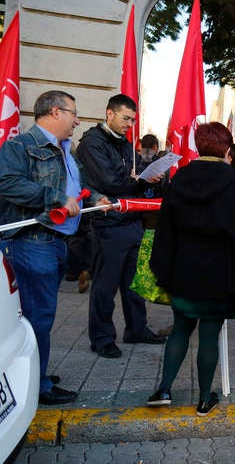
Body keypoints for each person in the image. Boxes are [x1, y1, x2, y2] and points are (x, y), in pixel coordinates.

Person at [0, 90, 111, 405]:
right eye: (73, 112)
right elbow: (8, 184)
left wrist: (95, 197)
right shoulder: (21, 146)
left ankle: (37, 371)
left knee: (41, 315)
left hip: (56, 243)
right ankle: (37, 386)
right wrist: (56, 198)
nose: (77, 120)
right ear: (55, 112)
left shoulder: (66, 151)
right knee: (38, 316)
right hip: (33, 242)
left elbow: (79, 185)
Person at [146, 123, 235, 415]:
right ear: (226, 147)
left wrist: (162, 268)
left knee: (181, 329)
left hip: (183, 269)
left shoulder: (180, 178)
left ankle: (164, 388)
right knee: (209, 334)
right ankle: (205, 398)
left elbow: (165, 229)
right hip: (220, 272)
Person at [77, 94, 166, 359]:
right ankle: (102, 338)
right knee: (105, 285)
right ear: (109, 114)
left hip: (131, 219)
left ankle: (137, 329)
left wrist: (147, 180)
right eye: (125, 118)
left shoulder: (125, 143)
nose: (130, 124)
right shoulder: (92, 143)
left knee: (133, 282)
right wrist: (140, 182)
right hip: (108, 222)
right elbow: (110, 182)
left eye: (133, 120)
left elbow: (126, 178)